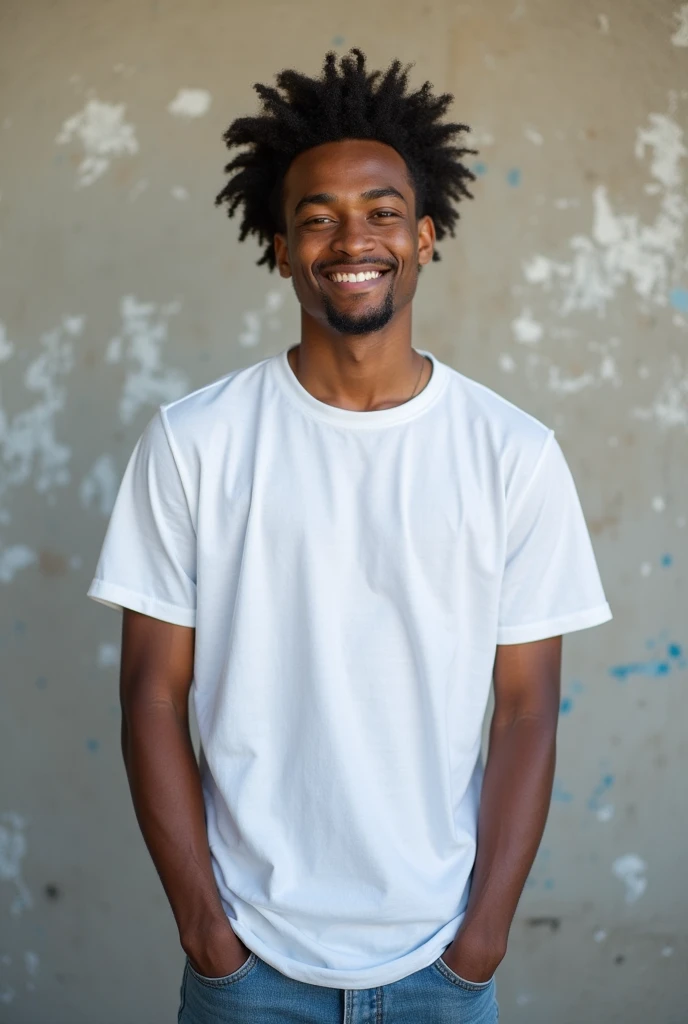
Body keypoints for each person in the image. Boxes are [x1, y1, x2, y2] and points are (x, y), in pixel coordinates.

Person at [88, 49, 612, 1024]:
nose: (350, 237)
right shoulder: (194, 442)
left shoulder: (512, 453)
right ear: (280, 248)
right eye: (316, 217)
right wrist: (207, 932)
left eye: (379, 211)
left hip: (438, 966)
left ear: (425, 234)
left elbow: (527, 710)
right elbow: (151, 695)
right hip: (248, 968)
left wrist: (481, 939)